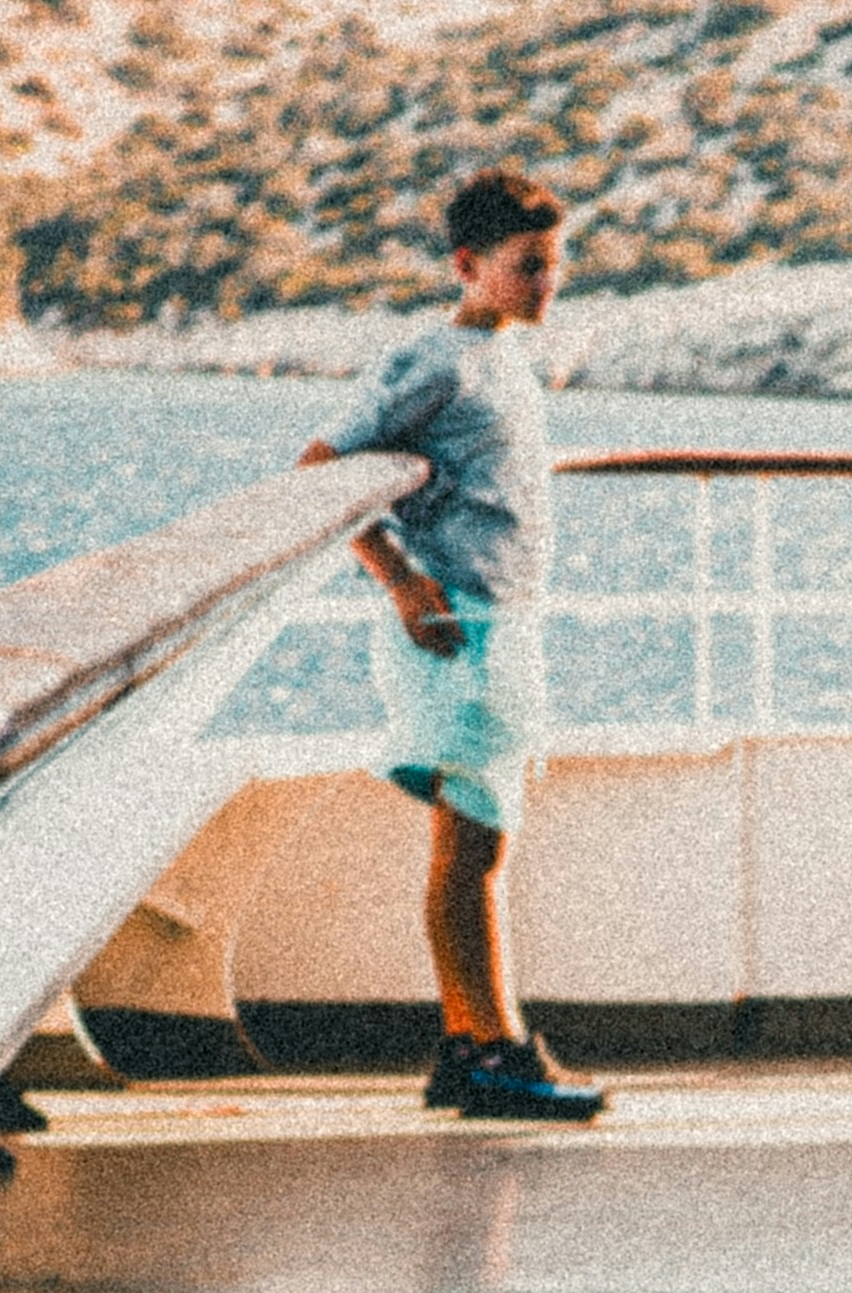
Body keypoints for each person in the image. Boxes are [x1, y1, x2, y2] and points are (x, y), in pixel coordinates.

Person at [292, 165, 603, 1123]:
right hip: (456, 627)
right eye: (525, 267)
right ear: (467, 265)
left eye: (553, 266)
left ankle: (467, 1043)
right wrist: (399, 580)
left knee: (477, 837)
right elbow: (320, 467)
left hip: (499, 622)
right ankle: (494, 1050)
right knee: (471, 844)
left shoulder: (505, 355)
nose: (544, 284)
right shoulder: (438, 361)